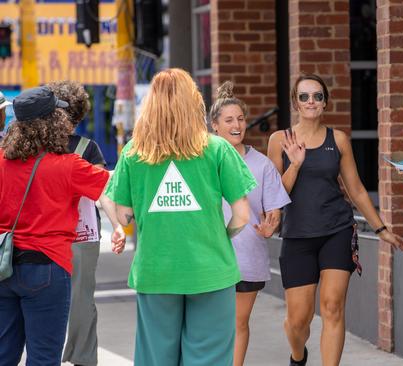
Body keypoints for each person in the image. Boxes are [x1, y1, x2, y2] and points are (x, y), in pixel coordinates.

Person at [105, 68, 257, 366]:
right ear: (194, 103)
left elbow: (122, 213)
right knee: (209, 358)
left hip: (156, 271)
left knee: (156, 358)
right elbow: (242, 214)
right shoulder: (217, 148)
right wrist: (218, 238)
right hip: (211, 269)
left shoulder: (135, 152)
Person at [267, 73, 403, 366]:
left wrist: (381, 229)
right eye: (304, 96)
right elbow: (275, 195)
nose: (311, 102)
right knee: (298, 321)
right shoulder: (279, 140)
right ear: (295, 102)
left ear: (325, 102)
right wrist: (295, 164)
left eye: (317, 96)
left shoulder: (338, 139)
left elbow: (355, 189)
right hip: (298, 236)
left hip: (337, 231)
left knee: (332, 307)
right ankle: (298, 356)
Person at [0, 86, 123, 365]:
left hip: (4, 266)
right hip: (47, 267)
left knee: (4, 355)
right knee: (44, 357)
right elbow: (112, 185)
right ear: (53, 121)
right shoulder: (69, 165)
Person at [210, 81, 291, 366]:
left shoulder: (262, 165)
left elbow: (274, 211)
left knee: (237, 322)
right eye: (229, 120)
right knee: (211, 326)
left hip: (248, 256)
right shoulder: (202, 161)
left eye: (241, 119)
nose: (237, 125)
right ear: (215, 126)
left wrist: (272, 226)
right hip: (207, 257)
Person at [47, 80, 124, 366]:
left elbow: (102, 190)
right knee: (50, 302)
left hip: (82, 236)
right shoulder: (38, 145)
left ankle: (82, 358)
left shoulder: (86, 147)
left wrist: (117, 225)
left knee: (81, 303)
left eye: (71, 117)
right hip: (49, 234)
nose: (67, 122)